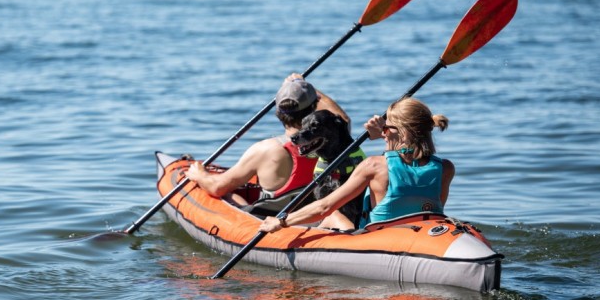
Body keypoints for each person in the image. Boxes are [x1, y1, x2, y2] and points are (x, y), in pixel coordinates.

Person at [259, 97, 455, 232]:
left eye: (385, 129)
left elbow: (324, 207)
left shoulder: (373, 166)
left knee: (333, 215)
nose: (383, 133)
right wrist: (384, 136)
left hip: (380, 238)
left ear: (399, 132)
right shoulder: (446, 168)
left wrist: (281, 221)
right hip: (420, 234)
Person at [185, 73, 349, 206]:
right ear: (315, 107)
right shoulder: (335, 134)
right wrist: (303, 86)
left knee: (227, 193)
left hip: (275, 222)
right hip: (317, 216)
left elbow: (216, 188)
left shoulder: (265, 150)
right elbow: (342, 118)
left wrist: (200, 175)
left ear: (278, 112)